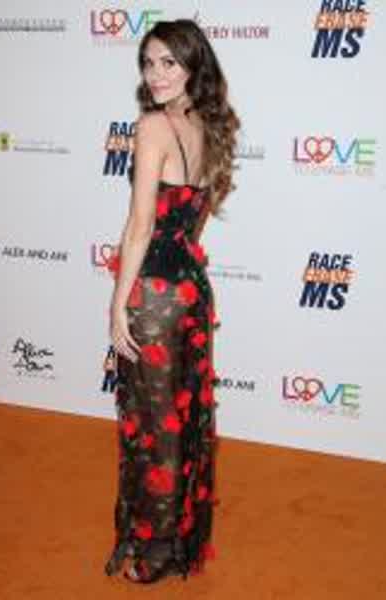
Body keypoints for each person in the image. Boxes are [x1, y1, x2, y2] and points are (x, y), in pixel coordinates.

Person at [104, 18, 240, 583]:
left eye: (169, 63)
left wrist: (118, 303)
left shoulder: (153, 127)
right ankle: (179, 536)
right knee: (181, 420)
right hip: (191, 293)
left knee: (155, 423)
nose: (155, 74)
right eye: (148, 62)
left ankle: (157, 549)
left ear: (192, 68)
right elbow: (186, 225)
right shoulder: (209, 126)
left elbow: (141, 227)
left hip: (156, 298)